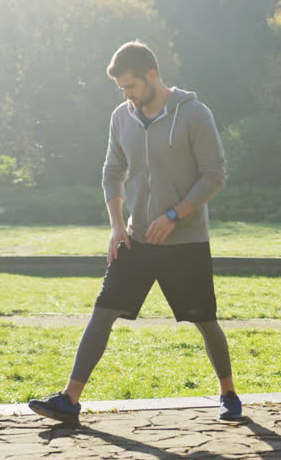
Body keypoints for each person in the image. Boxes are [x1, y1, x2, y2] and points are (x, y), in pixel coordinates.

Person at [28, 40, 241, 425]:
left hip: (185, 240)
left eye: (131, 86)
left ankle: (228, 393)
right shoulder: (121, 117)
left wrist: (174, 215)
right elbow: (112, 171)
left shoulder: (193, 113)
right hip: (136, 238)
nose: (126, 95)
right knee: (102, 311)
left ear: (152, 75)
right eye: (121, 89)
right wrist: (115, 226)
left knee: (204, 319)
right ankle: (69, 400)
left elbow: (215, 175)